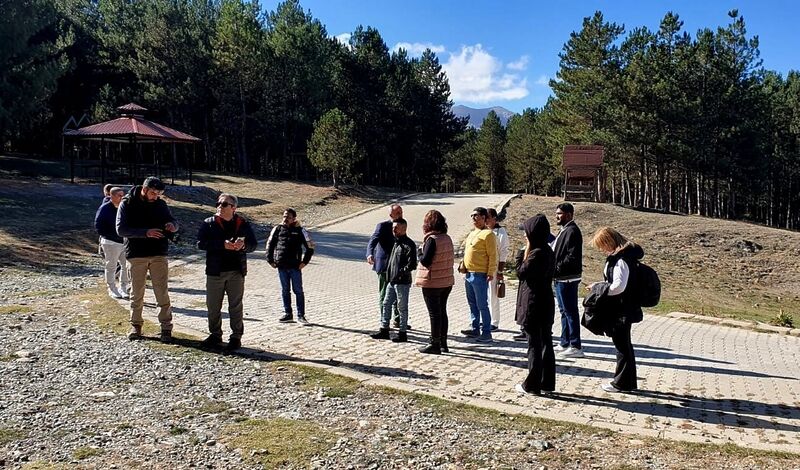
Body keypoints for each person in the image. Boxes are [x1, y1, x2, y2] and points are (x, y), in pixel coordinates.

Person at [116, 176, 178, 343]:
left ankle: (166, 327)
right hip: (136, 254)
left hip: (159, 252)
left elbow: (172, 220)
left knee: (162, 291)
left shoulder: (160, 204)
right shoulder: (127, 203)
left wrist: (173, 226)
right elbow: (121, 230)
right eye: (153, 192)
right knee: (136, 292)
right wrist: (145, 233)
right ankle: (136, 325)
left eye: (159, 193)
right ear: (144, 189)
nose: (155, 196)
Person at [196, 193, 257, 351]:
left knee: (235, 306)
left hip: (236, 271)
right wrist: (222, 245)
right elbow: (200, 244)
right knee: (213, 306)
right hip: (215, 271)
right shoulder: (209, 222)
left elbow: (253, 245)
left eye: (224, 204)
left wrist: (243, 245)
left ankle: (236, 336)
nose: (219, 207)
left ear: (234, 208)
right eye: (218, 203)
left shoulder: (242, 223)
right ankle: (215, 335)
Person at [589, 227, 644, 393]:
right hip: (623, 307)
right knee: (623, 344)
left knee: (622, 345)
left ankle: (622, 383)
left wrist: (599, 288)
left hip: (621, 308)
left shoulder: (621, 260)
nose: (601, 249)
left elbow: (618, 287)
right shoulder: (621, 257)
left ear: (610, 242)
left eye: (602, 245)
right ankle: (626, 381)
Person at [514, 214, 556, 395]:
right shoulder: (547, 250)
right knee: (546, 343)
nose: (524, 236)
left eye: (526, 233)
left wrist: (520, 256)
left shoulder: (536, 253)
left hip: (534, 303)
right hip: (545, 302)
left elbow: (521, 273)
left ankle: (531, 384)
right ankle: (546, 382)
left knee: (534, 345)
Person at [370, 218, 416, 342]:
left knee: (402, 307)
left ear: (403, 229)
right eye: (393, 228)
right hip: (391, 280)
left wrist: (400, 273)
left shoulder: (409, 244)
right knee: (386, 303)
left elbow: (412, 265)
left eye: (396, 228)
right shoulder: (395, 242)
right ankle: (384, 329)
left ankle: (402, 333)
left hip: (402, 282)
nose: (393, 230)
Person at [415, 210, 454, 354]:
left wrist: (419, 251)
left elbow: (425, 260)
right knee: (442, 312)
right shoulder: (447, 238)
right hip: (446, 282)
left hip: (432, 282)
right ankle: (443, 343)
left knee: (434, 314)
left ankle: (434, 343)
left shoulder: (432, 239)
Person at [267, 208, 314, 324]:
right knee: (285, 290)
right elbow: (270, 244)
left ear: (293, 219)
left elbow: (310, 247)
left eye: (288, 217)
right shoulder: (277, 229)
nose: (285, 219)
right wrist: (270, 260)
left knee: (298, 291)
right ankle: (288, 313)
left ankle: (301, 315)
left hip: (295, 267)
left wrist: (304, 262)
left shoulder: (300, 231)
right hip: (281, 266)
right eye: (284, 216)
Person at [459, 207, 497, 342]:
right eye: (472, 216)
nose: (474, 218)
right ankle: (475, 328)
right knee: (472, 303)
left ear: (484, 218)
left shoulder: (489, 234)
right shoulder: (472, 233)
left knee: (482, 304)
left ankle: (486, 332)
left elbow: (493, 255)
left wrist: (491, 272)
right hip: (468, 274)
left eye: (476, 216)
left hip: (480, 274)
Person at [552, 203, 584, 358]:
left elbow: (571, 257)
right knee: (564, 311)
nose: (557, 216)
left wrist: (555, 268)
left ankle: (576, 346)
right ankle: (564, 342)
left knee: (571, 312)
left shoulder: (572, 231)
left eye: (560, 213)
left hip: (568, 278)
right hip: (560, 278)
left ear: (569, 214)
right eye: (557, 213)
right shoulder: (563, 230)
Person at [366, 204, 404, 329]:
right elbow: (373, 240)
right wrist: (370, 254)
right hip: (384, 265)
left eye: (401, 211)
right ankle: (384, 320)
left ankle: (398, 320)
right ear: (390, 215)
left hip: (397, 266)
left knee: (398, 293)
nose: (400, 214)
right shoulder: (383, 226)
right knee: (384, 294)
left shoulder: (403, 224)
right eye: (397, 212)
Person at [94, 186, 129, 299]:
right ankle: (112, 288)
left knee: (126, 265)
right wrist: (112, 235)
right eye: (119, 195)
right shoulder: (105, 208)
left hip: (124, 241)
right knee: (111, 266)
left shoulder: (124, 207)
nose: (122, 197)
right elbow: (98, 225)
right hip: (110, 242)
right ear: (111, 196)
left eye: (123, 195)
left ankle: (123, 288)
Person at [486, 208, 509, 330]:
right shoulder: (483, 231)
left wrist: (500, 271)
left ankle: (494, 321)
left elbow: (503, 253)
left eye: (488, 217)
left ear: (494, 218)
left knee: (493, 295)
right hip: (482, 267)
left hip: (494, 268)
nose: (486, 220)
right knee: (483, 295)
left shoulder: (500, 232)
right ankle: (485, 319)